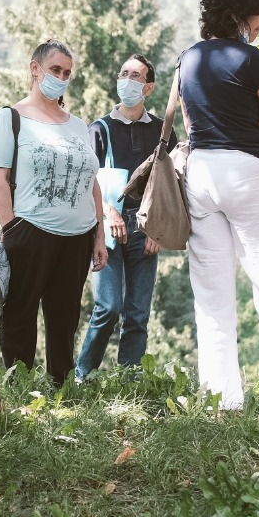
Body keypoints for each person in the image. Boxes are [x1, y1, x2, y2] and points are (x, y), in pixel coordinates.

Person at [178, 0, 259, 413]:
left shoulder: (187, 59)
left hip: (201, 173)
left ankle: (222, 403)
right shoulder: (251, 59)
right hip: (244, 171)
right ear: (240, 15)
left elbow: (193, 129)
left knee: (212, 297)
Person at [0, 40, 107, 385]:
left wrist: (98, 234)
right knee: (19, 315)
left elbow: (92, 182)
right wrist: (10, 231)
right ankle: (20, 387)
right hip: (31, 230)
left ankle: (61, 387)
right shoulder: (10, 118)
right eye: (55, 69)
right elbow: (0, 180)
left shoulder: (76, 124)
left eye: (67, 73)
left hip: (78, 236)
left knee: (65, 319)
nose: (61, 77)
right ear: (35, 68)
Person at [75, 54, 173, 379]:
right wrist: (107, 212)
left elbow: (172, 186)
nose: (127, 80)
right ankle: (82, 375)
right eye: (123, 73)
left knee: (137, 313)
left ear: (148, 87)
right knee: (108, 307)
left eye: (135, 76)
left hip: (146, 228)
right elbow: (85, 181)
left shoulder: (162, 132)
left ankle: (129, 382)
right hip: (105, 228)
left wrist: (158, 231)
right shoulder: (99, 129)